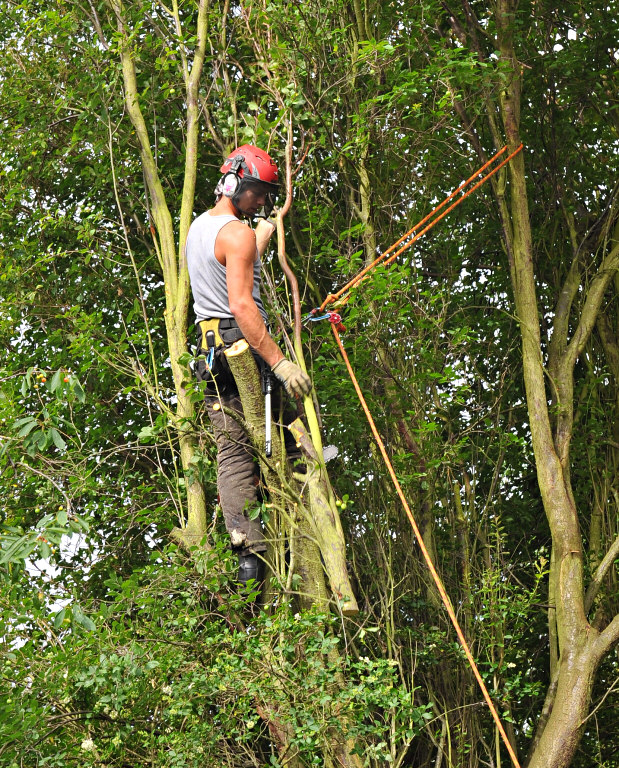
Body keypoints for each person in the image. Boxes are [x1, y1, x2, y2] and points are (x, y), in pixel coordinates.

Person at [185, 145, 312, 585]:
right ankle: (308, 499)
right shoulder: (236, 234)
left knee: (234, 453)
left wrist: (264, 230)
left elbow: (233, 261)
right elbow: (241, 304)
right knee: (296, 432)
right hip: (244, 347)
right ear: (235, 183)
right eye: (257, 192)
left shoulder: (201, 228)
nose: (262, 201)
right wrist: (280, 364)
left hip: (210, 355)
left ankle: (248, 560)